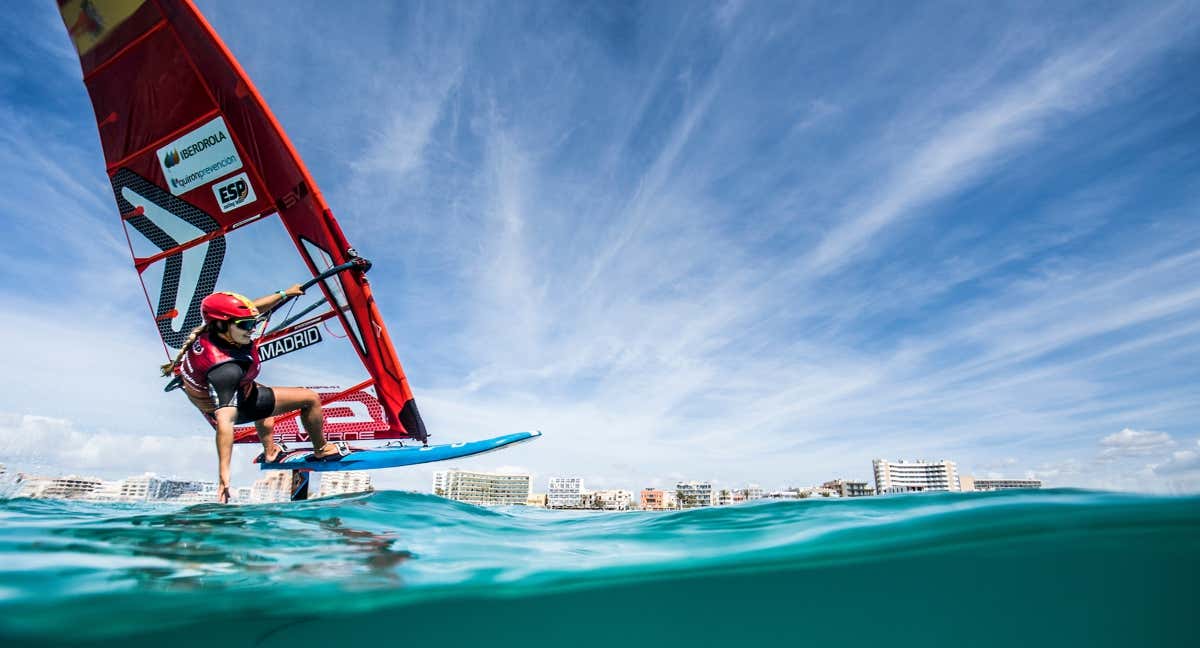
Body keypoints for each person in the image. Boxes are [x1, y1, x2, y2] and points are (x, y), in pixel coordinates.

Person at [159, 288, 342, 503]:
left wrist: (285, 294)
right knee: (309, 398)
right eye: (246, 325)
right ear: (222, 325)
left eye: (252, 323)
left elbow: (254, 309)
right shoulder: (226, 369)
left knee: (261, 395)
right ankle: (322, 450)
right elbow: (224, 423)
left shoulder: (215, 330)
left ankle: (271, 451)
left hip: (224, 390)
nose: (252, 329)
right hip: (231, 405)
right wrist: (223, 477)